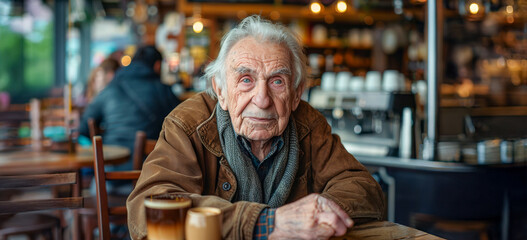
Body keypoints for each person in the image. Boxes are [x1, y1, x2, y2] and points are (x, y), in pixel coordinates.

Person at [127, 16, 385, 240]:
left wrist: (317, 214)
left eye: (277, 82)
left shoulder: (309, 124)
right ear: (221, 91)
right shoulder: (188, 124)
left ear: (296, 95)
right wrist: (267, 224)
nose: (262, 100)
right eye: (246, 80)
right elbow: (149, 208)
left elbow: (363, 188)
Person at [79, 45, 180, 175]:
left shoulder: (112, 87)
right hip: (151, 175)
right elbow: (181, 128)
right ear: (157, 65)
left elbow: (83, 128)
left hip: (110, 174)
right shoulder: (164, 90)